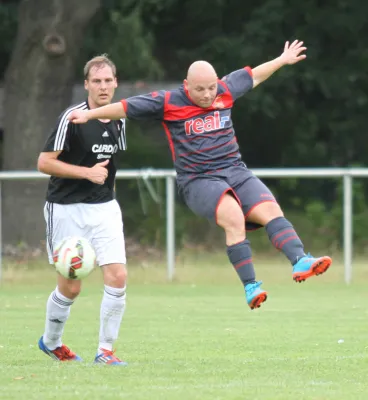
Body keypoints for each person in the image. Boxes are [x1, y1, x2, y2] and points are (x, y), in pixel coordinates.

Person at [68, 40, 332, 310]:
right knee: (233, 217)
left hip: (235, 171)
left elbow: (255, 75)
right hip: (198, 180)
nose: (207, 95)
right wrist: (89, 116)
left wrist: (282, 59)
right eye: (199, 90)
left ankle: (300, 261)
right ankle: (251, 286)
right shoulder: (168, 102)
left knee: (271, 210)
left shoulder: (226, 90)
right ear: (186, 85)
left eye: (211, 88)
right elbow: (125, 107)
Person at [37, 55, 128, 364]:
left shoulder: (119, 118)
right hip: (65, 209)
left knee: (117, 276)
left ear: (115, 83)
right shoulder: (72, 118)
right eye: (97, 81)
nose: (103, 87)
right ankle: (51, 341)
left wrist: (106, 194)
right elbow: (44, 162)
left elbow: (110, 166)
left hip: (104, 208)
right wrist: (86, 173)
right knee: (71, 288)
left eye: (108, 81)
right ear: (87, 84)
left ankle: (105, 351)